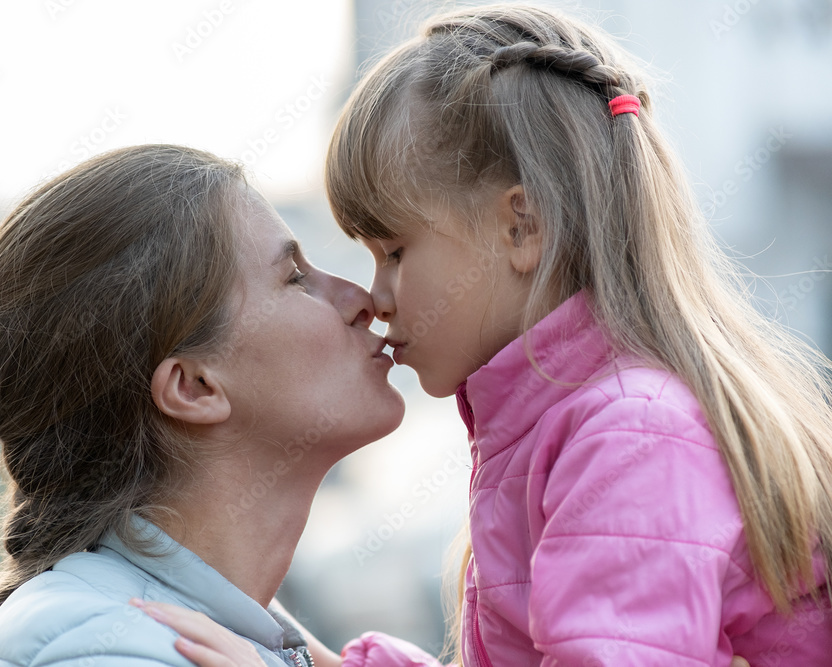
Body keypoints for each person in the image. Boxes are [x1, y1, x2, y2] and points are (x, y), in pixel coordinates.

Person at [151, 3, 832, 665]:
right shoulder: (570, 424)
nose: (376, 296)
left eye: (393, 251)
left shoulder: (628, 437)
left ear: (520, 228)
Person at [0, 144, 403, 666]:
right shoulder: (104, 650)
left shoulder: (218, 634)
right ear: (194, 387)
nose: (363, 300)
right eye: (295, 279)